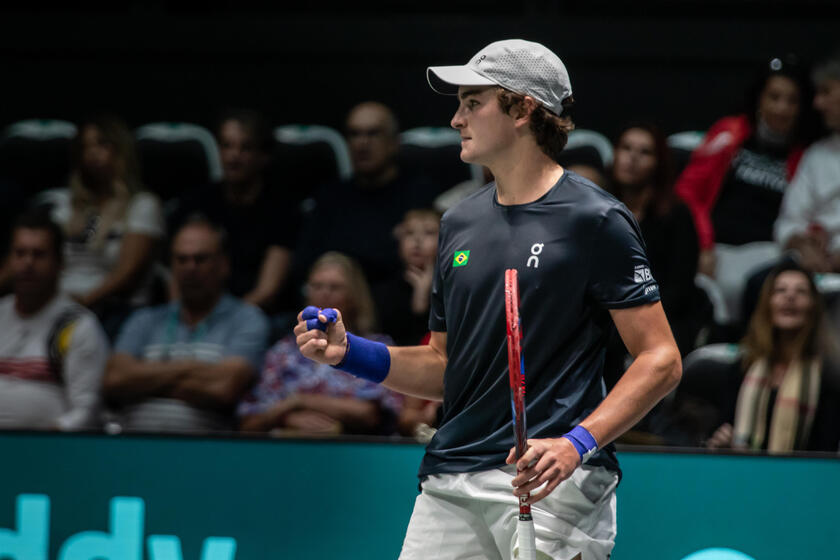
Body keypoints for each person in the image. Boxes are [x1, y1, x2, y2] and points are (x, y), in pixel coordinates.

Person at [295, 40, 681, 559]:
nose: (456, 119)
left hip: (550, 483)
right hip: (450, 479)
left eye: (472, 102)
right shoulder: (457, 222)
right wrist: (348, 353)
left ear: (523, 109)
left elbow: (661, 360)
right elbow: (443, 365)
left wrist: (576, 444)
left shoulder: (596, 220)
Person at [104, 217, 269, 433]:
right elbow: (114, 380)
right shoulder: (144, 320)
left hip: (205, 452)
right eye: (181, 259)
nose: (190, 268)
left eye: (200, 259)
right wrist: (190, 367)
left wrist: (142, 382)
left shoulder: (246, 319)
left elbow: (223, 389)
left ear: (223, 265)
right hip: (133, 444)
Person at [674, 57, 811, 318]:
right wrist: (703, 245)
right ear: (760, 99)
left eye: (791, 100)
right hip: (717, 247)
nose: (782, 108)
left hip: (769, 251)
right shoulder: (730, 133)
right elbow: (688, 193)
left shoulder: (804, 154)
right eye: (774, 97)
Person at [238, 252, 402, 435]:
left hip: (357, 449)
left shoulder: (376, 346)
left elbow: (371, 414)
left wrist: (300, 401)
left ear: (355, 296)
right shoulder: (283, 351)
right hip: (285, 447)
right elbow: (250, 421)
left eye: (335, 287)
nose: (324, 293)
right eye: (316, 286)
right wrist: (287, 418)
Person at [37, 115, 165, 338]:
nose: (93, 152)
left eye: (102, 144)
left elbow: (128, 273)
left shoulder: (141, 205)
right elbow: (45, 255)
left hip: (114, 309)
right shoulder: (70, 207)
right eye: (85, 147)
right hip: (61, 305)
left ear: (121, 150)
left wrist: (82, 303)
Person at [295, 102, 440, 286]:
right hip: (336, 301)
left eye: (373, 133)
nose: (362, 143)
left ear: (394, 143)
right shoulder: (330, 195)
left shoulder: (419, 194)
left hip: (398, 302)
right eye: (354, 134)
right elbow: (303, 263)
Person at [701, 262, 840, 452]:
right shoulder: (743, 366)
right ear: (767, 303)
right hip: (743, 474)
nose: (790, 297)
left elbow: (828, 446)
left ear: (813, 307)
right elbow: (721, 427)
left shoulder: (830, 374)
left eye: (801, 292)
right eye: (780, 290)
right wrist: (722, 441)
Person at [169, 109, 297, 310]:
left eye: (245, 148)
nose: (234, 156)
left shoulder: (281, 209)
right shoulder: (196, 202)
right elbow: (177, 273)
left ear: (263, 156)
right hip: (193, 315)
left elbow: (267, 290)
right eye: (227, 146)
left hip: (254, 314)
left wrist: (227, 322)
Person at [0, 211, 109, 430]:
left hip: (50, 452)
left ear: (60, 263)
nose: (28, 263)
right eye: (20, 253)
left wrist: (50, 439)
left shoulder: (78, 325)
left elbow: (88, 412)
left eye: (39, 254)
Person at [607, 122, 707, 357]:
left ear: (658, 164)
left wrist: (631, 316)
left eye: (645, 152)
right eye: (626, 148)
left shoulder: (676, 215)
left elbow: (679, 287)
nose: (632, 158)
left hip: (659, 317)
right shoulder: (597, 209)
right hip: (606, 314)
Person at [774, 50, 840, 273]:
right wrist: (801, 242)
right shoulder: (817, 156)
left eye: (826, 92)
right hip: (817, 268)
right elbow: (789, 220)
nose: (817, 103)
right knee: (761, 282)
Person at [374, 209, 441, 346]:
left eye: (429, 233)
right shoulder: (385, 290)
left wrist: (423, 298)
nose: (417, 240)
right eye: (409, 233)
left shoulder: (454, 285)